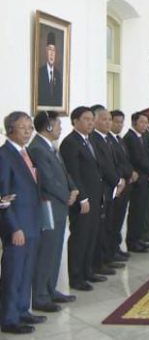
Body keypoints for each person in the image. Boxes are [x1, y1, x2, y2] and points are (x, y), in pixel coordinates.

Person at [27, 111, 78, 313]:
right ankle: (40, 296)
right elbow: (47, 180)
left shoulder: (50, 146)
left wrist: (73, 188)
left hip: (60, 205)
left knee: (56, 250)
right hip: (50, 206)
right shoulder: (38, 148)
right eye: (57, 125)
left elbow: (64, 172)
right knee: (46, 252)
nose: (60, 128)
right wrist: (66, 195)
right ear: (48, 126)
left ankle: (51, 289)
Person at [0, 112, 45, 334]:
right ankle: (8, 318)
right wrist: (13, 227)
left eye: (30, 127)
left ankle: (22, 310)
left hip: (32, 222)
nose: (28, 131)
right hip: (17, 226)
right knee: (13, 272)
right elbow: (2, 198)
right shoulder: (4, 155)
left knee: (26, 271)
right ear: (10, 130)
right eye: (22, 127)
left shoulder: (24, 152)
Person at [60, 106, 105, 291]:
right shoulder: (71, 142)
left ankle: (88, 271)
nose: (90, 122)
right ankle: (76, 276)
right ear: (75, 121)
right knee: (80, 237)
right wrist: (83, 198)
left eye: (91, 119)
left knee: (91, 235)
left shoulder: (88, 140)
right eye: (86, 119)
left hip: (94, 197)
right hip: (83, 199)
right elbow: (73, 174)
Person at [89, 105, 126, 276]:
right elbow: (103, 165)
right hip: (103, 190)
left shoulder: (108, 139)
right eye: (104, 119)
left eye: (109, 119)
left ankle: (108, 256)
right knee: (101, 229)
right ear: (95, 120)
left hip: (113, 189)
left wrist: (120, 180)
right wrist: (117, 180)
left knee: (110, 225)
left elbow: (116, 162)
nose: (108, 123)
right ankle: (101, 260)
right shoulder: (94, 140)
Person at [124, 112, 149, 253]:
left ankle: (138, 239)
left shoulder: (140, 137)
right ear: (134, 123)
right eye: (142, 122)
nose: (145, 125)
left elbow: (147, 156)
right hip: (137, 181)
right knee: (136, 211)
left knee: (141, 211)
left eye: (146, 122)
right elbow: (137, 159)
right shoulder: (130, 138)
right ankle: (132, 242)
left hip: (144, 179)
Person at [108, 110, 137, 258]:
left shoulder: (119, 140)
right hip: (116, 186)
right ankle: (111, 250)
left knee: (119, 219)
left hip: (125, 184)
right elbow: (114, 164)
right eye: (116, 122)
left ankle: (116, 247)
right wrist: (126, 174)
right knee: (113, 221)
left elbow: (126, 160)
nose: (119, 125)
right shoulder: (109, 141)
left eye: (121, 122)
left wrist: (131, 172)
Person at [37, 32, 63, 107]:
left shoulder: (58, 74)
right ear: (46, 51)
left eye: (53, 51)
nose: (52, 54)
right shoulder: (40, 72)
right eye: (50, 50)